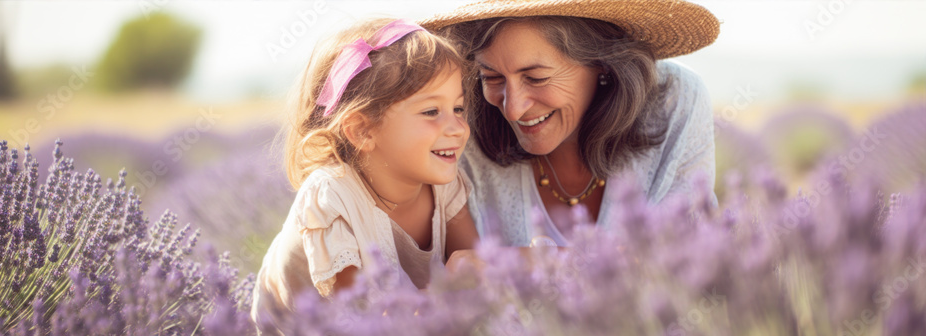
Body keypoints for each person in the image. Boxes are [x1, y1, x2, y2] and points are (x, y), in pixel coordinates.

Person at [419, 0, 721, 247]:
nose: (512, 109)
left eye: (536, 78)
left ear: (602, 62)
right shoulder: (460, 122)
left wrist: (530, 263)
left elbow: (684, 261)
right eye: (492, 78)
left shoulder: (675, 101)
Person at [250, 18, 479, 319]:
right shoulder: (331, 199)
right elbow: (366, 320)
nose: (459, 129)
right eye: (431, 111)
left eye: (458, 109)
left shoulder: (445, 184)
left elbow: (482, 262)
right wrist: (454, 291)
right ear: (362, 131)